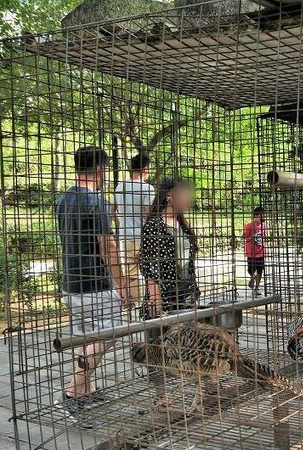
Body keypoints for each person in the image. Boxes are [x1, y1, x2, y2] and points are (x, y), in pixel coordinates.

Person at [55, 146, 129, 427]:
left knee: (85, 337)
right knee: (111, 333)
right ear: (100, 170)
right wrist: (121, 284)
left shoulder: (63, 199)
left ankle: (88, 388)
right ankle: (73, 391)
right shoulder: (96, 201)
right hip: (95, 283)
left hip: (70, 282)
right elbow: (107, 245)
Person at [139, 178, 200, 318]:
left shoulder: (183, 225)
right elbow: (151, 270)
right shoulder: (154, 227)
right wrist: (157, 304)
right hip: (166, 298)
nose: (188, 198)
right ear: (169, 196)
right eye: (184, 194)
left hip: (185, 296)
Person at [113, 153, 155, 304]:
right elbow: (149, 212)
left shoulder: (120, 186)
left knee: (131, 272)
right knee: (151, 272)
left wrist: (122, 224)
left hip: (126, 236)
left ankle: (135, 303)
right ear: (145, 168)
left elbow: (114, 211)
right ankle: (149, 304)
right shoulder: (147, 188)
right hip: (143, 236)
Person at [244, 206, 266, 296]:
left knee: (260, 270)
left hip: (261, 251)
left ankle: (256, 288)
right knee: (250, 270)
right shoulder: (249, 225)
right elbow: (244, 236)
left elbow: (263, 236)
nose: (264, 217)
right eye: (262, 215)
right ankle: (253, 278)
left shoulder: (263, 225)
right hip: (251, 252)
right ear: (257, 215)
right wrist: (251, 238)